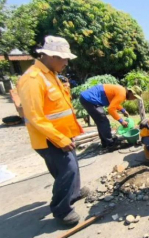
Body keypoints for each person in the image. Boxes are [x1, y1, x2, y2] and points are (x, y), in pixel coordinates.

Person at [17, 36, 90, 225]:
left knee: (71, 165)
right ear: (50, 56)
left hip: (63, 134)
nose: (66, 63)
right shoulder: (32, 79)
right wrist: (60, 139)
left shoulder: (51, 74)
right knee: (67, 169)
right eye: (63, 59)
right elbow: (35, 117)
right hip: (49, 138)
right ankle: (61, 209)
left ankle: (73, 193)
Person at [79, 84, 142, 149]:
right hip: (89, 99)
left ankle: (105, 143)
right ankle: (111, 144)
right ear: (130, 92)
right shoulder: (122, 94)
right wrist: (121, 121)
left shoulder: (122, 91)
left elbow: (113, 103)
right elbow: (111, 109)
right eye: (134, 97)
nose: (134, 99)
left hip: (87, 98)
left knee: (101, 122)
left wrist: (122, 110)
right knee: (103, 121)